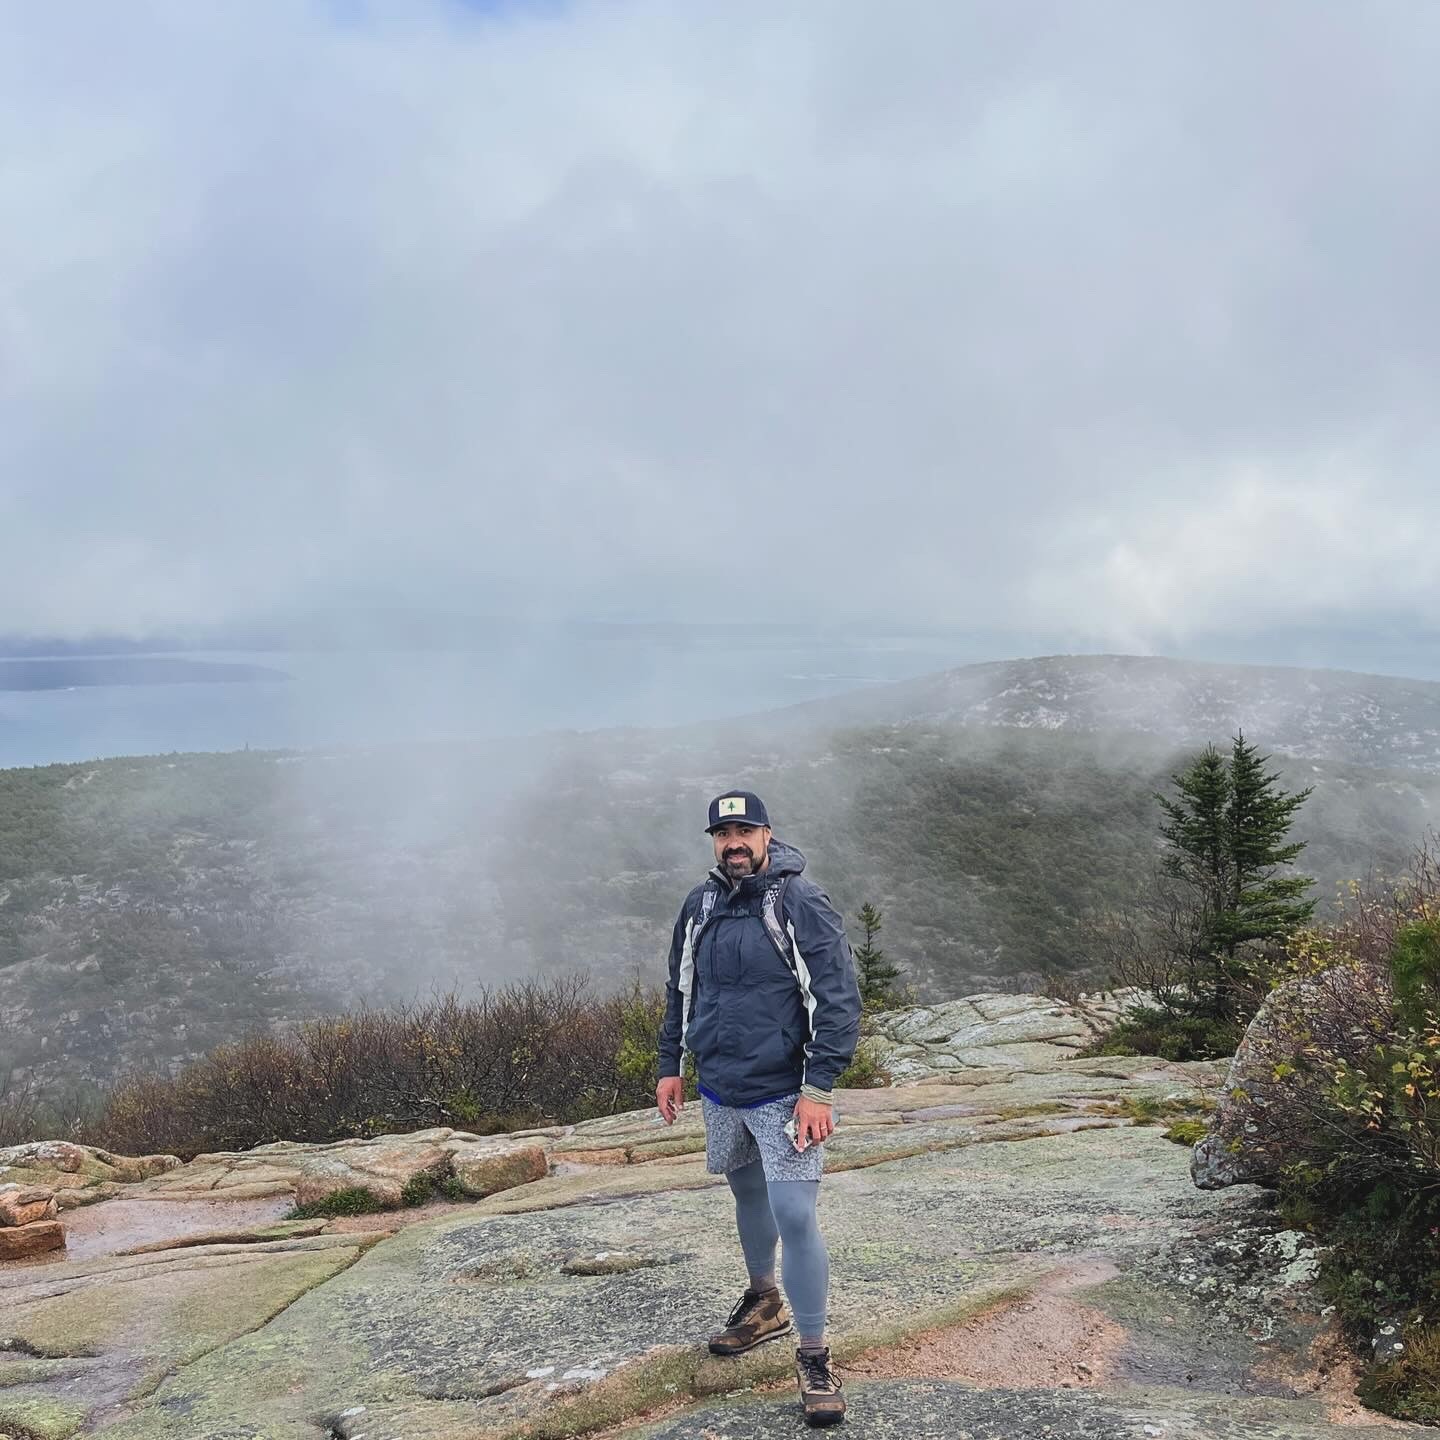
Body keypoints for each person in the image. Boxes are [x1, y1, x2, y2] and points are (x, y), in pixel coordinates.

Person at [656, 789, 861, 1427]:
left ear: (768, 834)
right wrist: (670, 1066)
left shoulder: (798, 900)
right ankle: (763, 1301)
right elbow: (680, 989)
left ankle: (814, 1352)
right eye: (722, 833)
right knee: (747, 1193)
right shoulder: (701, 903)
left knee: (795, 1212)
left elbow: (837, 998)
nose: (733, 842)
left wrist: (818, 1089)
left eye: (745, 830)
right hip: (721, 1085)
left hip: (784, 1090)